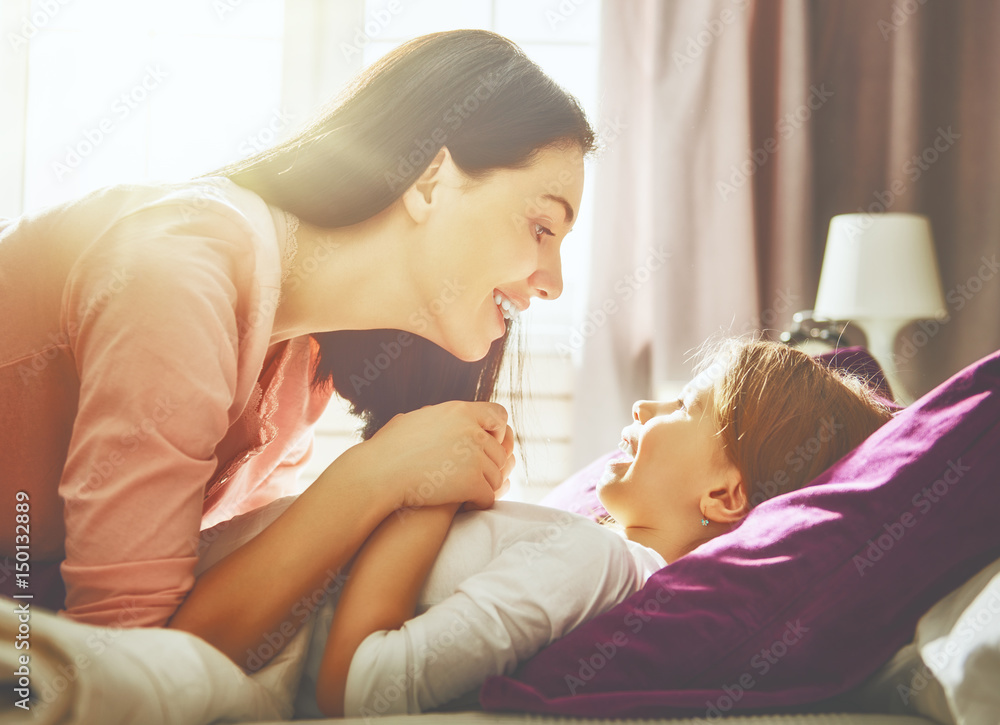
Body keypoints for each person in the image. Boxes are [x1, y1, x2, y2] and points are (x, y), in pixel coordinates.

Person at [0, 28, 593, 668]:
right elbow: (124, 666)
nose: (553, 283)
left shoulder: (295, 373)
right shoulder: (176, 274)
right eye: (541, 227)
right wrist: (375, 476)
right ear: (429, 182)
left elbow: (215, 611)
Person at [257, 337, 892, 717]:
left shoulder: (600, 562)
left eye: (688, 405)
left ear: (725, 494)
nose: (646, 406)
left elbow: (357, 691)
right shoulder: (597, 555)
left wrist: (426, 495)